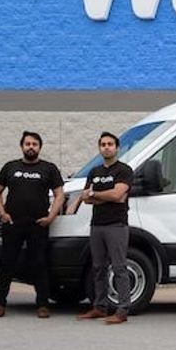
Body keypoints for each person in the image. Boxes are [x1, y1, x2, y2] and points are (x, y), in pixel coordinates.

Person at [0, 131, 64, 318]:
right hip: (13, 224)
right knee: (7, 264)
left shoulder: (49, 169)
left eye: (34, 144)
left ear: (40, 147)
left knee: (39, 263)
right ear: (22, 146)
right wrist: (3, 213)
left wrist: (50, 217)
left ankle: (42, 305)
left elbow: (59, 195)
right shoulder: (10, 167)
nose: (31, 147)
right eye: (27, 144)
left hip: (38, 225)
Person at [69, 131, 134, 325]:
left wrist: (95, 193)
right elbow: (86, 199)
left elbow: (118, 196)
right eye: (103, 144)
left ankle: (122, 310)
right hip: (97, 225)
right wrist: (99, 195)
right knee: (98, 268)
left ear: (117, 148)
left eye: (110, 144)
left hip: (116, 225)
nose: (106, 147)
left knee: (119, 267)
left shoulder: (124, 170)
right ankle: (100, 306)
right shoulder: (95, 172)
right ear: (99, 148)